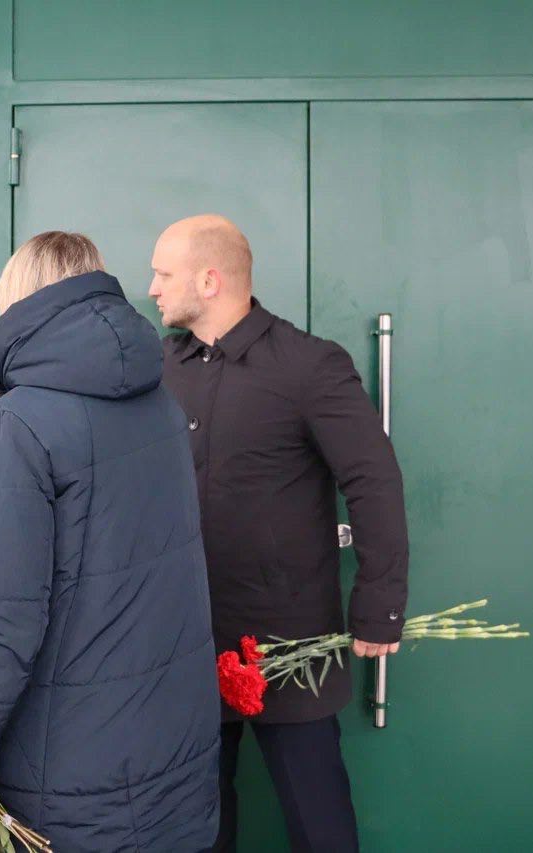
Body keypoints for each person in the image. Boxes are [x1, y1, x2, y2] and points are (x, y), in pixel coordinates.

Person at [0, 232, 220, 852]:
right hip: (174, 742)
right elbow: (89, 452)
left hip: (77, 767)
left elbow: (4, 614)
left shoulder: (19, 427)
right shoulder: (158, 399)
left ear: (21, 304)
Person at [149, 214, 410, 852]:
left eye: (163, 274)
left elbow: (373, 480)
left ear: (209, 280)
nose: (151, 288)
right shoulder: (159, 366)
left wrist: (379, 604)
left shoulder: (309, 365)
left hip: (289, 642)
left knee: (318, 819)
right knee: (198, 825)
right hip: (184, 637)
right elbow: (77, 421)